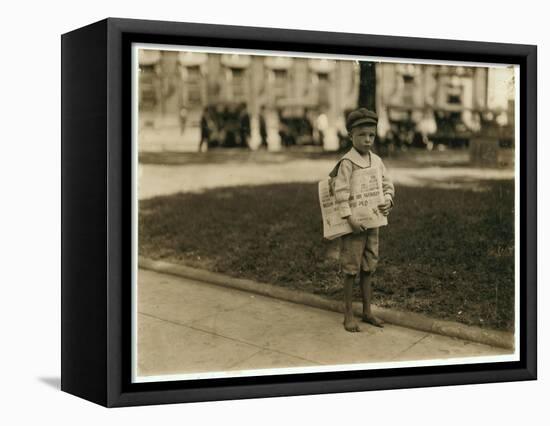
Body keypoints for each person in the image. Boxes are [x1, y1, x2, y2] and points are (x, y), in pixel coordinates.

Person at [328, 108, 395, 333]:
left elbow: (387, 184)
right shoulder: (347, 162)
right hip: (354, 224)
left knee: (369, 265)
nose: (368, 140)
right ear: (350, 136)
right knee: (350, 268)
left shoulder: (376, 161)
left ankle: (367, 311)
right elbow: (341, 192)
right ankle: (348, 314)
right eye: (362, 135)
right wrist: (349, 218)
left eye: (372, 135)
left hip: (373, 222)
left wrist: (387, 199)